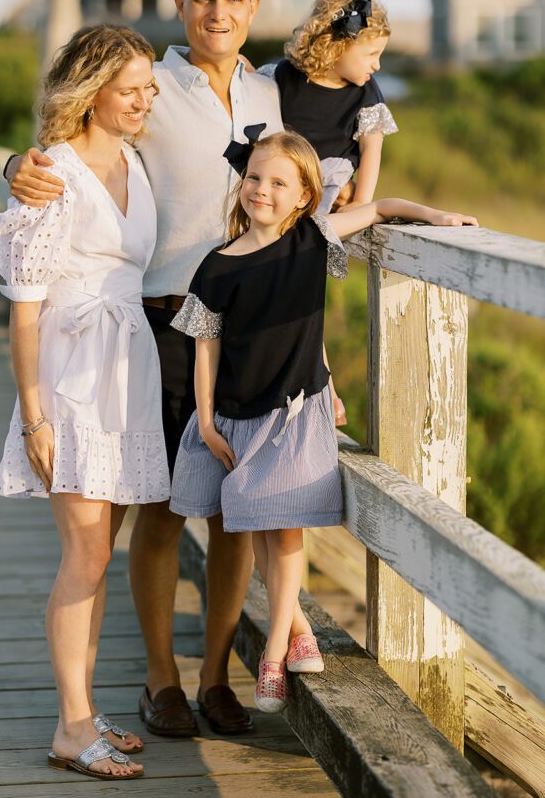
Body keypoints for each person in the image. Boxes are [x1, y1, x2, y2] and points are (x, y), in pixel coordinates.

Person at [3, 0, 283, 738]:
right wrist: (14, 167)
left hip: (249, 330)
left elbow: (311, 179)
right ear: (181, 2)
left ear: (253, 8)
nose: (218, 14)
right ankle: (160, 683)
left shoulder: (271, 91)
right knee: (159, 508)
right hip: (159, 324)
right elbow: (72, 145)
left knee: (234, 510)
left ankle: (217, 678)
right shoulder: (151, 86)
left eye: (233, 0)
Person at [168, 125, 478, 712]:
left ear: (305, 196)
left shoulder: (311, 239)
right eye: (255, 177)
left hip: (296, 408)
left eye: (279, 182)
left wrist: (436, 217)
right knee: (262, 524)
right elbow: (204, 346)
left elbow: (381, 205)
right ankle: (300, 630)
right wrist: (206, 422)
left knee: (285, 530)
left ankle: (272, 654)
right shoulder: (217, 265)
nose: (262, 189)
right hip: (239, 415)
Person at [0, 24, 171, 780]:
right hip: (72, 377)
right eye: (128, 89)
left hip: (129, 370)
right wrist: (33, 415)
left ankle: (86, 712)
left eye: (148, 89)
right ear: (89, 91)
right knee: (86, 554)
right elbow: (25, 307)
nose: (142, 101)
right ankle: (70, 726)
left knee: (101, 556)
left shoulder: (135, 158)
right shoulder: (54, 175)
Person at [255, 0, 398, 426]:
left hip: (323, 196)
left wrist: (362, 203)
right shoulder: (282, 79)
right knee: (277, 294)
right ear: (337, 45)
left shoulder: (364, 95)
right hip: (277, 192)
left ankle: (324, 389)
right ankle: (301, 390)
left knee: (300, 291)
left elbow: (371, 151)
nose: (376, 66)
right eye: (370, 55)